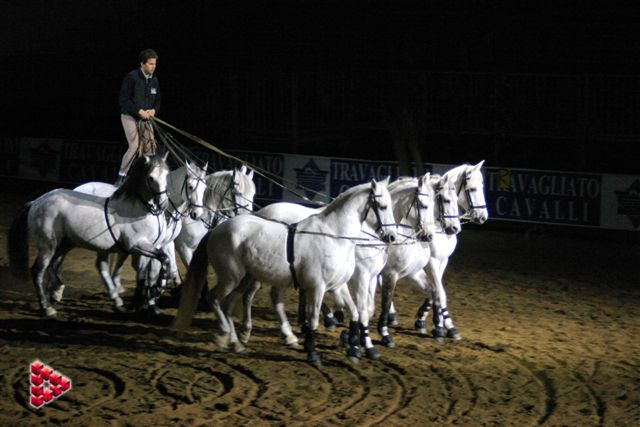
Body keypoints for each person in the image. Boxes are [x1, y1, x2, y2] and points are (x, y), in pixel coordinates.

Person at [115, 49, 161, 186]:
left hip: (146, 118)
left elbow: (158, 100)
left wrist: (154, 110)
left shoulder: (154, 80)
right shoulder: (132, 77)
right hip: (129, 115)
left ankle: (146, 177)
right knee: (134, 146)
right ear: (142, 64)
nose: (153, 66)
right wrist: (138, 111)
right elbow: (123, 100)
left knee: (151, 147)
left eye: (155, 64)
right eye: (151, 64)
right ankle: (121, 176)